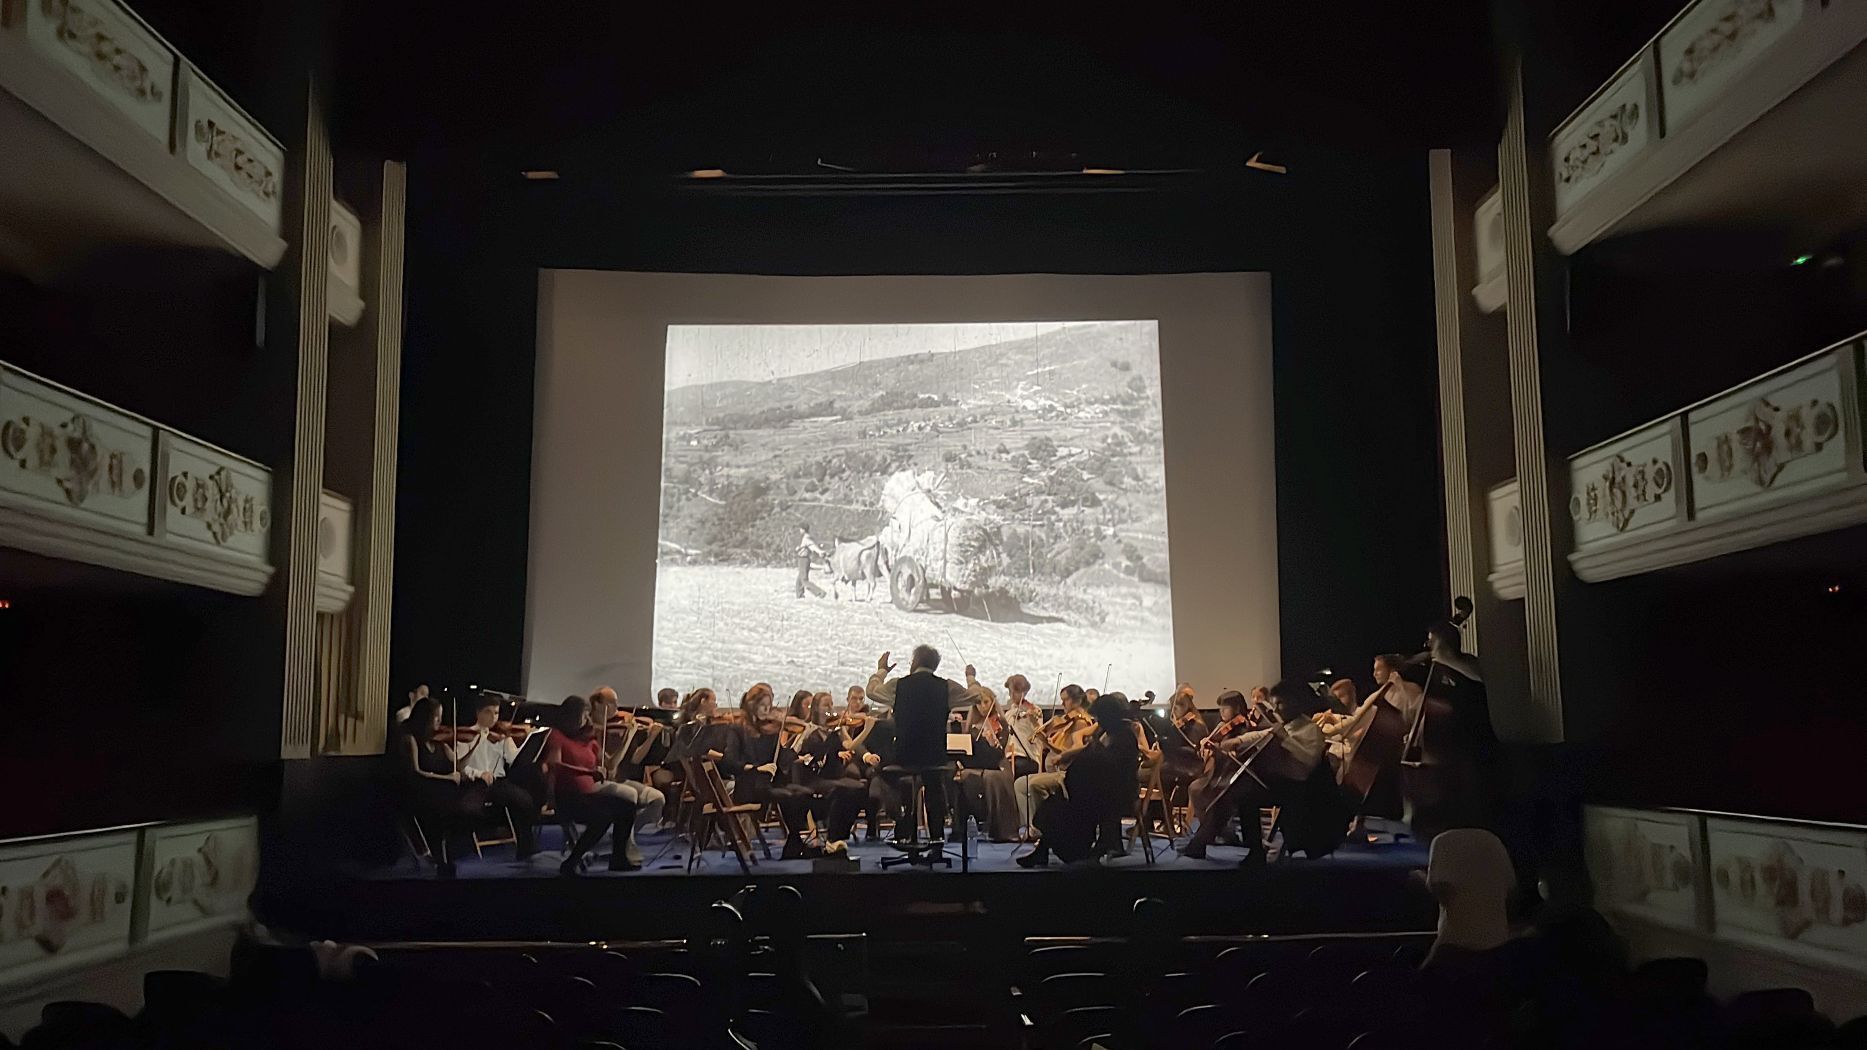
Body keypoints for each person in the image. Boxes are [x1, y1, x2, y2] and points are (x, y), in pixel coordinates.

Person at [1184, 680, 1347, 867]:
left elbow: (1308, 759)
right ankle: (1210, 840)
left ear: (1296, 703)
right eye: (1274, 704)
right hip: (1282, 782)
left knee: (1242, 793)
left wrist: (1284, 738)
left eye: (1280, 704)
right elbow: (1260, 735)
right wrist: (1236, 741)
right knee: (1238, 791)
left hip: (1300, 788)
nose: (1276, 709)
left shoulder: (1310, 729)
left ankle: (1231, 846)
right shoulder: (1288, 725)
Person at [865, 646, 978, 843]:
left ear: (915, 662)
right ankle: (937, 840)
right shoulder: (946, 686)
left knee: (882, 771)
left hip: (904, 753)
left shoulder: (898, 685)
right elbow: (975, 695)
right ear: (935, 664)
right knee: (934, 785)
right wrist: (970, 677)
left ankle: (901, 823)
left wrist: (881, 670)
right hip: (934, 754)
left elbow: (872, 692)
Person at [1018, 694, 1139, 868]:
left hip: (1116, 792)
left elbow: (1116, 772)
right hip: (1098, 789)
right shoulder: (1108, 734)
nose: (1097, 722)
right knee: (1056, 805)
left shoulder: (1124, 737)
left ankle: (1082, 852)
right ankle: (1044, 849)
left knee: (1065, 808)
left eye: (1099, 717)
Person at [541, 695, 641, 874]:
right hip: (568, 796)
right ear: (571, 716)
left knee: (627, 807)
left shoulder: (588, 738)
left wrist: (627, 739)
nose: (587, 720)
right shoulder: (557, 735)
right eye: (583, 715)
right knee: (603, 816)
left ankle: (618, 857)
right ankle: (572, 861)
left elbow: (610, 764)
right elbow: (555, 764)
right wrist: (589, 772)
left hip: (589, 794)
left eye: (588, 714)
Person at [395, 696, 485, 877]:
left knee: (476, 789)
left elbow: (458, 766)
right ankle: (442, 858)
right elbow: (416, 772)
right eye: (437, 717)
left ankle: (449, 850)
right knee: (444, 810)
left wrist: (476, 745)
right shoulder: (410, 740)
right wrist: (446, 778)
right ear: (425, 718)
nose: (440, 721)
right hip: (421, 794)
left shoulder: (440, 745)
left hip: (441, 793)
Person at [450, 692, 540, 860]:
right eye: (489, 712)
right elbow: (461, 767)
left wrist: (525, 741)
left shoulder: (501, 735)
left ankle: (525, 848)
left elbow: (514, 759)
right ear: (478, 713)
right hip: (475, 783)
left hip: (498, 783)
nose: (494, 717)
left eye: (497, 712)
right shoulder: (466, 735)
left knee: (525, 800)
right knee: (469, 808)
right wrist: (480, 773)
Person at [587, 688, 667, 866]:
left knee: (658, 799)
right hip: (598, 783)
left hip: (621, 780)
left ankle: (621, 834)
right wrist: (627, 737)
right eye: (611, 703)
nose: (617, 706)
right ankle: (625, 846)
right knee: (628, 796)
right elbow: (611, 765)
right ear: (597, 704)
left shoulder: (621, 726)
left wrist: (651, 737)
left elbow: (636, 758)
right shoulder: (590, 729)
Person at [1014, 684, 1095, 837]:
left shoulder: (1081, 723)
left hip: (1067, 773)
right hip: (1056, 771)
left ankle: (1041, 827)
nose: (1062, 704)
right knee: (1020, 784)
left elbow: (1072, 755)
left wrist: (1047, 743)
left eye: (1066, 700)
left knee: (1030, 784)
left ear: (1077, 701)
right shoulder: (1067, 722)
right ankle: (1033, 826)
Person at [795, 522, 826, 598]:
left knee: (804, 580)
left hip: (803, 560)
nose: (799, 530)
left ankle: (820, 592)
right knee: (799, 580)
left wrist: (819, 552)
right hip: (803, 559)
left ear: (803, 530)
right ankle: (799, 595)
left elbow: (812, 546)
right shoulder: (807, 537)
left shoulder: (806, 538)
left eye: (800, 529)